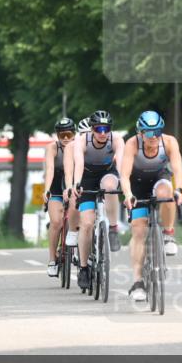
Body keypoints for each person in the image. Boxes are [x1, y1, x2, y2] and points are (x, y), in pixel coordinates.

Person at [119, 111, 182, 302]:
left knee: (167, 193)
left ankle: (168, 235)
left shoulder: (169, 142)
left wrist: (179, 190)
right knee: (139, 231)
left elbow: (177, 170)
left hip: (160, 179)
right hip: (137, 184)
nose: (154, 136)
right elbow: (124, 175)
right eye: (149, 133)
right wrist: (128, 195)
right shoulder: (132, 144)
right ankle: (138, 282)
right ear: (140, 133)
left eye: (157, 131)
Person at [66, 110, 125, 290]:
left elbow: (121, 164)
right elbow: (79, 163)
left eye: (106, 129)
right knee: (87, 223)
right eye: (98, 128)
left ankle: (113, 228)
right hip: (87, 176)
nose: (102, 133)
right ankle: (84, 268)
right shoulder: (82, 141)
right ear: (91, 129)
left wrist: (125, 184)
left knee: (110, 186)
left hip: (108, 172)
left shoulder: (116, 139)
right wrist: (76, 184)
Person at [43, 117, 78, 277]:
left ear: (75, 134)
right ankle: (52, 259)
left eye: (69, 135)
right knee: (56, 222)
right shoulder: (53, 148)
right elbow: (50, 169)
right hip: (56, 188)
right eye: (62, 135)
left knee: (81, 217)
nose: (65, 139)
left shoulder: (79, 147)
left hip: (73, 188)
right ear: (57, 135)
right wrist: (46, 190)